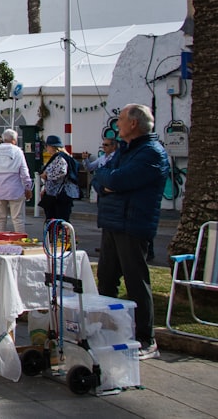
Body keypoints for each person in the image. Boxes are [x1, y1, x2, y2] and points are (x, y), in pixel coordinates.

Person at [93, 103, 169, 360]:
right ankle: (110, 330)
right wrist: (108, 181)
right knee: (106, 279)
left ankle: (146, 339)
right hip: (113, 222)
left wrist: (109, 181)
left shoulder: (151, 153)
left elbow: (117, 180)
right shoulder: (124, 151)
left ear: (134, 123)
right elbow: (100, 175)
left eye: (121, 119)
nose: (118, 124)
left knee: (136, 281)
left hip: (132, 224)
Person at [0, 129, 33, 233]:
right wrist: (28, 187)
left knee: (0, 218)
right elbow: (24, 172)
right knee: (17, 219)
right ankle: (20, 242)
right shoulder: (17, 151)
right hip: (15, 189)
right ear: (13, 140)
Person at [39, 135, 80, 222]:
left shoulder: (60, 157)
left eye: (47, 146)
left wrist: (47, 175)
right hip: (57, 195)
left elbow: (62, 171)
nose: (46, 148)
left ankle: (59, 235)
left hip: (59, 196)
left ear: (52, 146)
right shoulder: (61, 157)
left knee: (58, 221)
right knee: (57, 221)